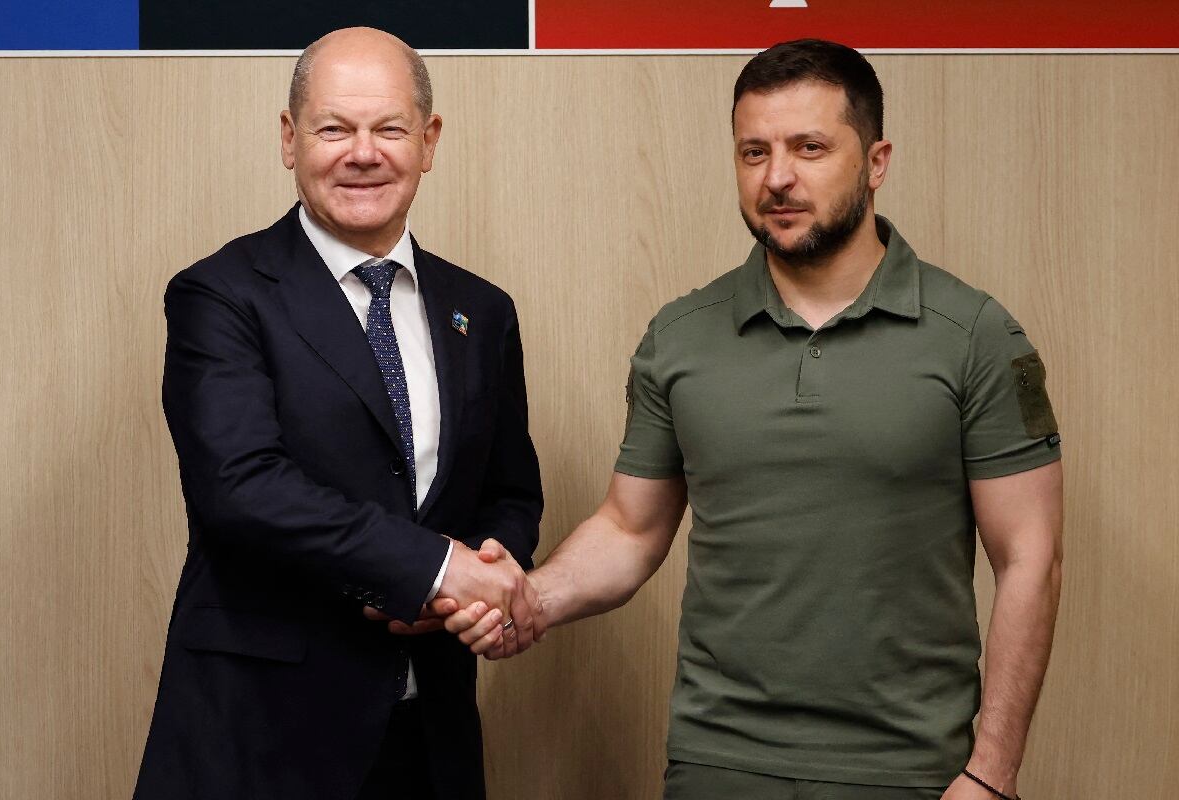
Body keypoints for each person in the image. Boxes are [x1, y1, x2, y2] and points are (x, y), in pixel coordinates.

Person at [451, 39, 1063, 800]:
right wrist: (531, 601)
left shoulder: (974, 334)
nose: (777, 177)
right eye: (754, 151)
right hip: (718, 763)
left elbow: (1029, 559)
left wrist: (992, 772)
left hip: (911, 770)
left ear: (876, 161)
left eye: (810, 148)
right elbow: (631, 528)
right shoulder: (679, 336)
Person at [133, 27, 542, 800]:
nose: (363, 153)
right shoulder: (221, 295)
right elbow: (242, 488)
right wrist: (430, 569)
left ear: (429, 141)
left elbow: (510, 491)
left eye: (389, 128)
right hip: (261, 742)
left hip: (432, 738)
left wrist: (484, 577)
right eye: (334, 128)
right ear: (290, 140)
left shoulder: (481, 311)